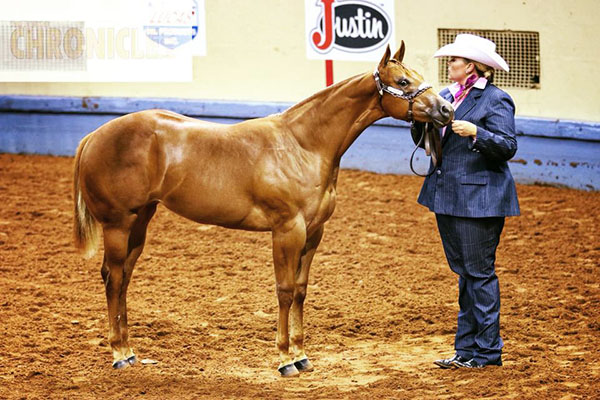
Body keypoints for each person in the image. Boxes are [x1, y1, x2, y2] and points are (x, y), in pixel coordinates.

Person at [416, 34, 520, 368]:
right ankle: (466, 349)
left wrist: (476, 133)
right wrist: (419, 123)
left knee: (479, 273)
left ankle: (487, 351)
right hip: (448, 195)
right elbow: (425, 138)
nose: (450, 66)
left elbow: (507, 146)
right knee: (465, 274)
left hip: (479, 198)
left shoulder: (495, 99)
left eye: (455, 61)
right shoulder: (447, 97)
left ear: (472, 66)